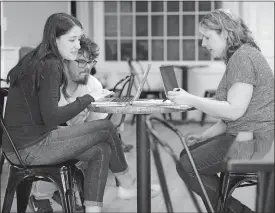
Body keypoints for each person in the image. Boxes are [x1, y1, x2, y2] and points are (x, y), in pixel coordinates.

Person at [2, 13, 160, 213]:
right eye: (72, 39)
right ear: (54, 38)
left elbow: (47, 117)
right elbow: (52, 118)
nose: (77, 45)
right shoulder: (51, 65)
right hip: (29, 148)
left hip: (18, 146)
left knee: (101, 149)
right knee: (106, 127)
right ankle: (126, 184)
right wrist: (89, 98)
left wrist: (89, 97)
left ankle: (95, 208)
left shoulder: (36, 58)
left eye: (79, 38)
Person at [168, 9, 274, 213]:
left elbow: (234, 111)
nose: (203, 44)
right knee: (186, 155)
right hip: (249, 135)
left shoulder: (243, 58)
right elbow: (234, 116)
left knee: (188, 164)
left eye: (207, 37)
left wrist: (190, 99)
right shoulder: (242, 55)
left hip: (257, 141)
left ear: (225, 33)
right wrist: (203, 136)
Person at [28, 35, 136, 212]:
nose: (87, 68)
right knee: (80, 145)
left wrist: (114, 113)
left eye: (91, 62)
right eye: (80, 62)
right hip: (39, 143)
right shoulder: (49, 84)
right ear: (64, 62)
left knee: (102, 147)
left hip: (70, 143)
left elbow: (97, 126)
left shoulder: (92, 84)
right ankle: (41, 195)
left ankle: (91, 206)